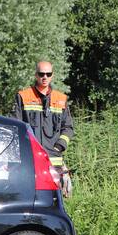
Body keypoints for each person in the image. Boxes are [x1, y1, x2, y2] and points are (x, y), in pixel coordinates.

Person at [13, 61, 74, 193]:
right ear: (36, 75)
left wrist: (59, 146)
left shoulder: (61, 99)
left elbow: (68, 128)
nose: (45, 77)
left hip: (54, 163)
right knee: (30, 197)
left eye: (48, 74)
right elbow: (15, 127)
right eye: (41, 74)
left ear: (52, 75)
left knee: (53, 200)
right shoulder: (23, 96)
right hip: (30, 161)